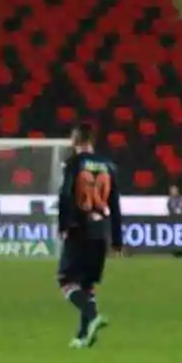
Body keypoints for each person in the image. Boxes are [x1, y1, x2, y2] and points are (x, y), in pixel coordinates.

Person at [57, 122, 122, 348]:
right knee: (88, 285)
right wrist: (117, 239)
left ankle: (92, 316)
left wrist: (64, 225)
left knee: (66, 281)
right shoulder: (109, 166)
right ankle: (82, 336)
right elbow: (114, 203)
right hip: (100, 231)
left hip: (79, 228)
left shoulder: (73, 164)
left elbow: (66, 195)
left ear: (76, 140)